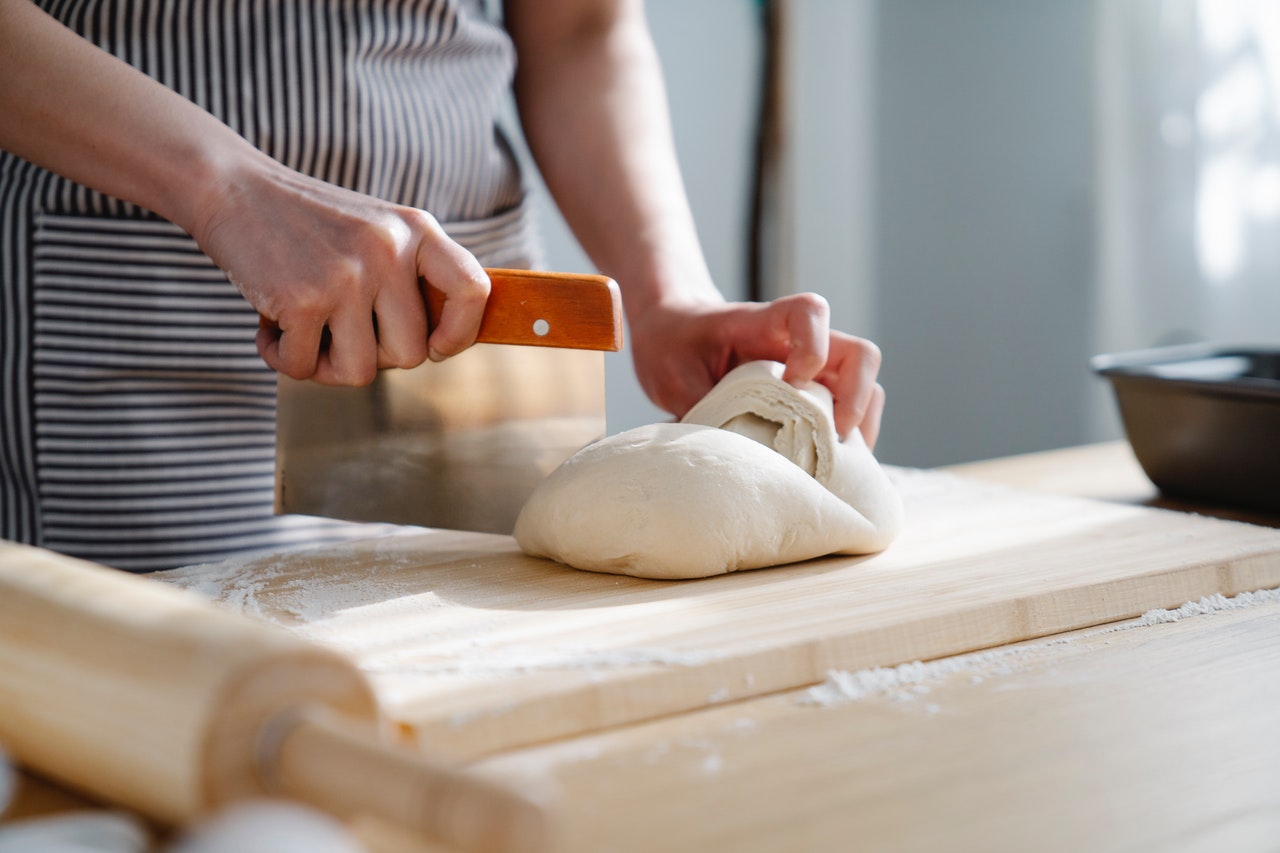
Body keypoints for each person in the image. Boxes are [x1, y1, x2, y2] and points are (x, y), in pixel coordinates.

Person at [0, 0, 885, 571]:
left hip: (472, 312)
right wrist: (223, 188)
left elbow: (580, 26)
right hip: (134, 286)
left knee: (470, 677)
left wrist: (666, 297)